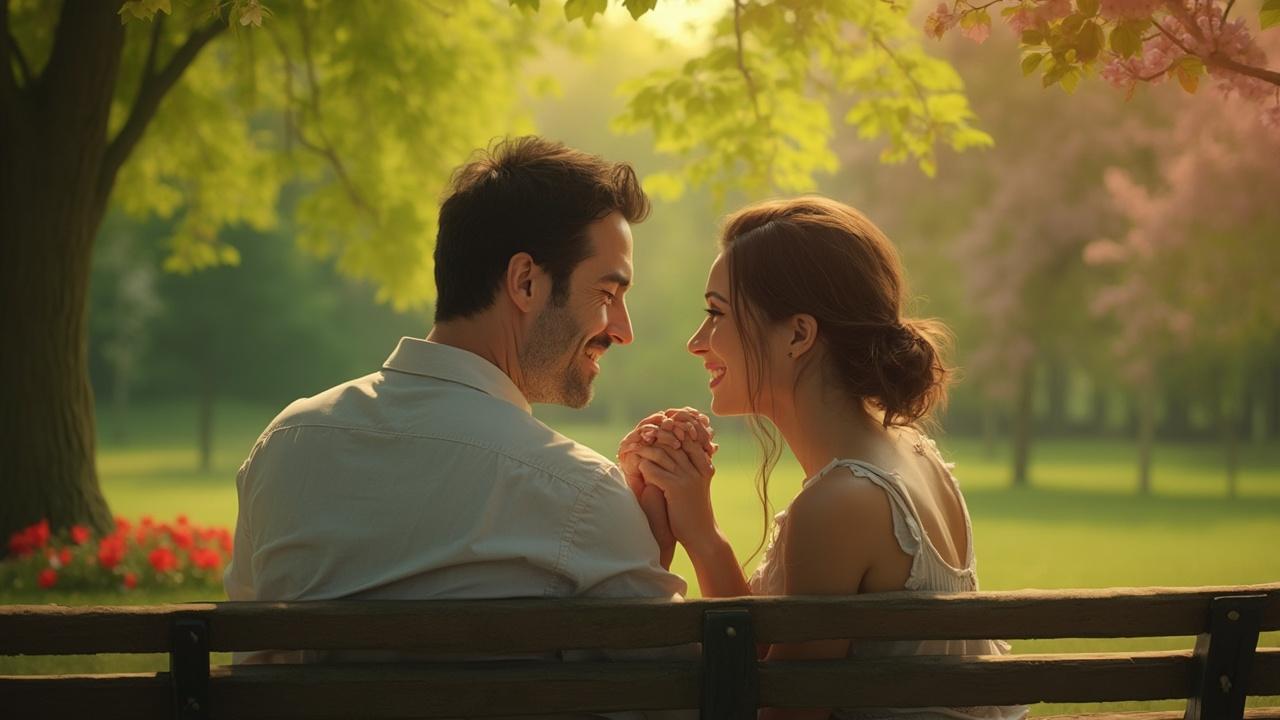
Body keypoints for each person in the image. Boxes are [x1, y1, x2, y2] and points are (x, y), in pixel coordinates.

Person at [224, 136, 700, 665]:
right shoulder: (579, 494)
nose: (624, 331)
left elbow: (252, 651)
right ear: (525, 283)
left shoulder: (286, 443)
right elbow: (672, 700)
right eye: (607, 295)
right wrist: (638, 549)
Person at [619, 197, 1027, 720]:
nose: (696, 343)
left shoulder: (841, 503)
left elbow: (782, 711)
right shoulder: (911, 452)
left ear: (797, 334)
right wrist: (700, 528)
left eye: (716, 313)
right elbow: (774, 656)